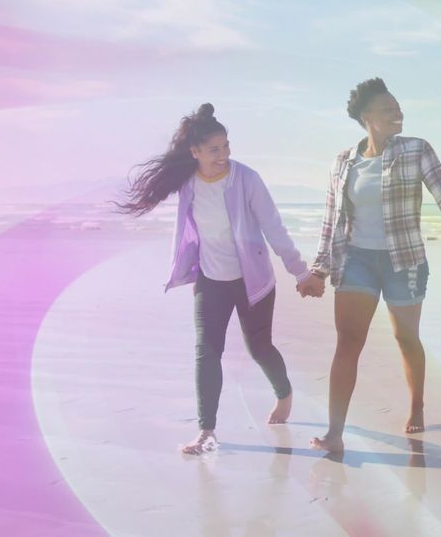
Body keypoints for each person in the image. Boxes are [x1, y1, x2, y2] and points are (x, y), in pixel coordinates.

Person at [116, 103, 318, 455]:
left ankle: (284, 393)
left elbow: (274, 228)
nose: (223, 155)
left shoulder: (247, 179)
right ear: (194, 152)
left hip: (252, 281)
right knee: (206, 352)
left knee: (259, 348)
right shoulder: (188, 184)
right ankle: (206, 431)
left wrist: (300, 272)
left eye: (226, 146)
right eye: (214, 149)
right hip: (210, 280)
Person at [302, 78, 441, 453]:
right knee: (348, 342)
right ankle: (335, 433)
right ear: (367, 117)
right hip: (356, 259)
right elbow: (331, 220)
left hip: (403, 261)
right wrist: (320, 269)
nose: (398, 113)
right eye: (388, 109)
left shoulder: (416, 150)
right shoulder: (343, 162)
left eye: (398, 107)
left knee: (405, 338)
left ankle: (416, 403)